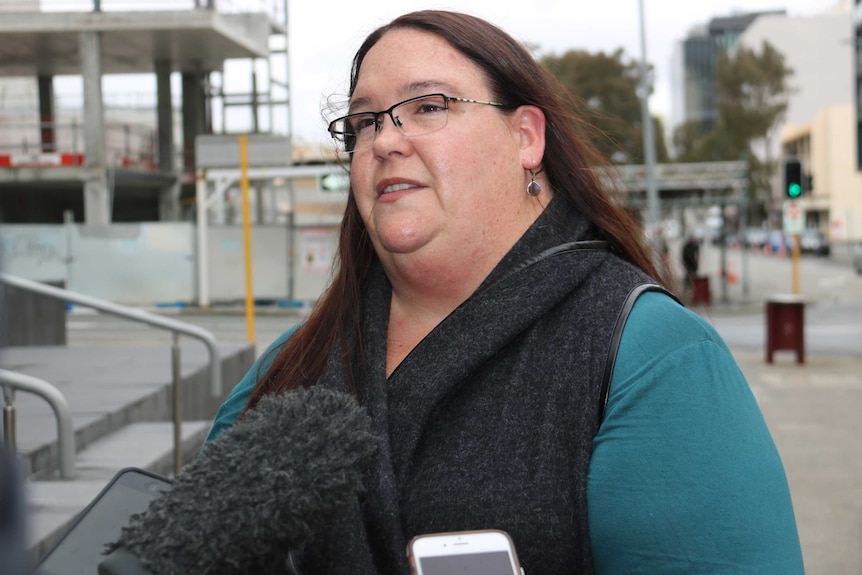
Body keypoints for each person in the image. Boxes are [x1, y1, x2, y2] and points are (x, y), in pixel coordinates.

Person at [206, 10, 803, 574]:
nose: (385, 141)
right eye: (365, 122)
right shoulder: (290, 366)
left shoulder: (652, 355)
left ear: (526, 137)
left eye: (427, 106)